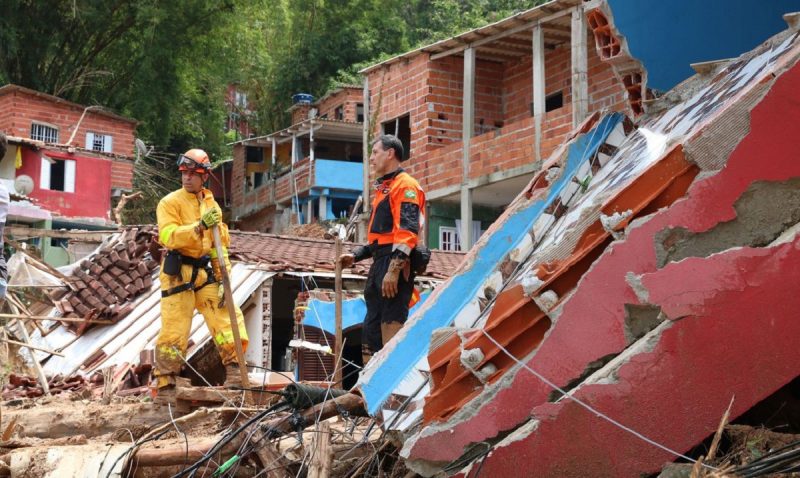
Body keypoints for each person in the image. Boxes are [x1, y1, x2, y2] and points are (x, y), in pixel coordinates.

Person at [153, 148, 248, 401]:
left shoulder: (210, 203)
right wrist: (199, 226)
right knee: (175, 327)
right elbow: (168, 236)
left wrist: (223, 278)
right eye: (184, 173)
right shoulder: (170, 202)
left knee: (228, 318)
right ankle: (166, 382)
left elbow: (219, 245)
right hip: (179, 272)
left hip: (205, 271)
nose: (187, 178)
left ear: (204, 176)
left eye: (193, 174)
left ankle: (236, 374)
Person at [338, 135, 425, 364]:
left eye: (375, 152)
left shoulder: (406, 186)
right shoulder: (384, 189)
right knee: (371, 328)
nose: (371, 158)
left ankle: (391, 384)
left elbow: (407, 231)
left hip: (395, 263)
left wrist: (394, 270)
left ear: (390, 153)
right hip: (379, 263)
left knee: (391, 322)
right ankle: (368, 386)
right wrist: (356, 256)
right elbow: (381, 239)